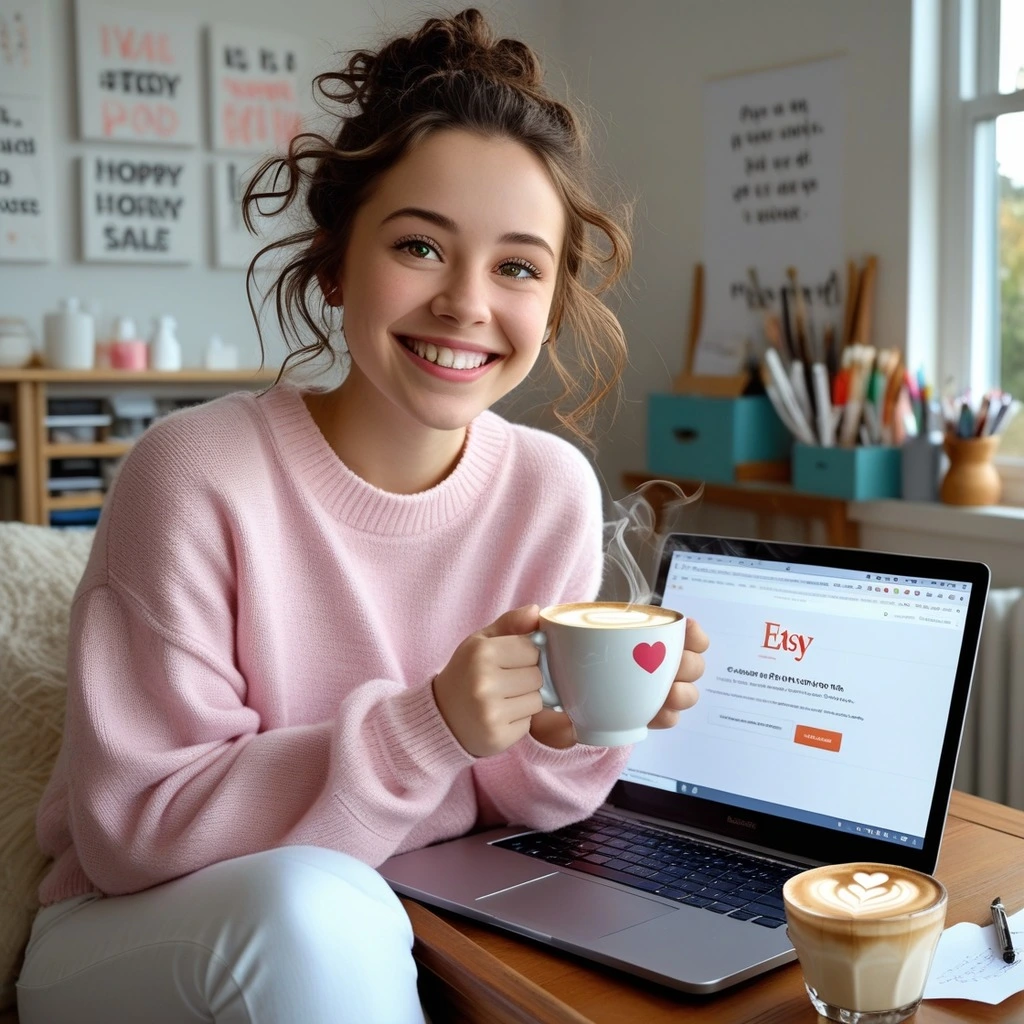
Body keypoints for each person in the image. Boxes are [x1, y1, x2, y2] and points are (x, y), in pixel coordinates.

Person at [17, 9, 708, 1023]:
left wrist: (576, 728)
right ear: (336, 264)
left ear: (551, 303)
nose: (468, 302)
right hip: (142, 924)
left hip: (404, 902)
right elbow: (136, 828)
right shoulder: (194, 473)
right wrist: (429, 728)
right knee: (318, 909)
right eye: (421, 245)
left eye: (517, 265)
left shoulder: (551, 487)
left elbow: (532, 802)